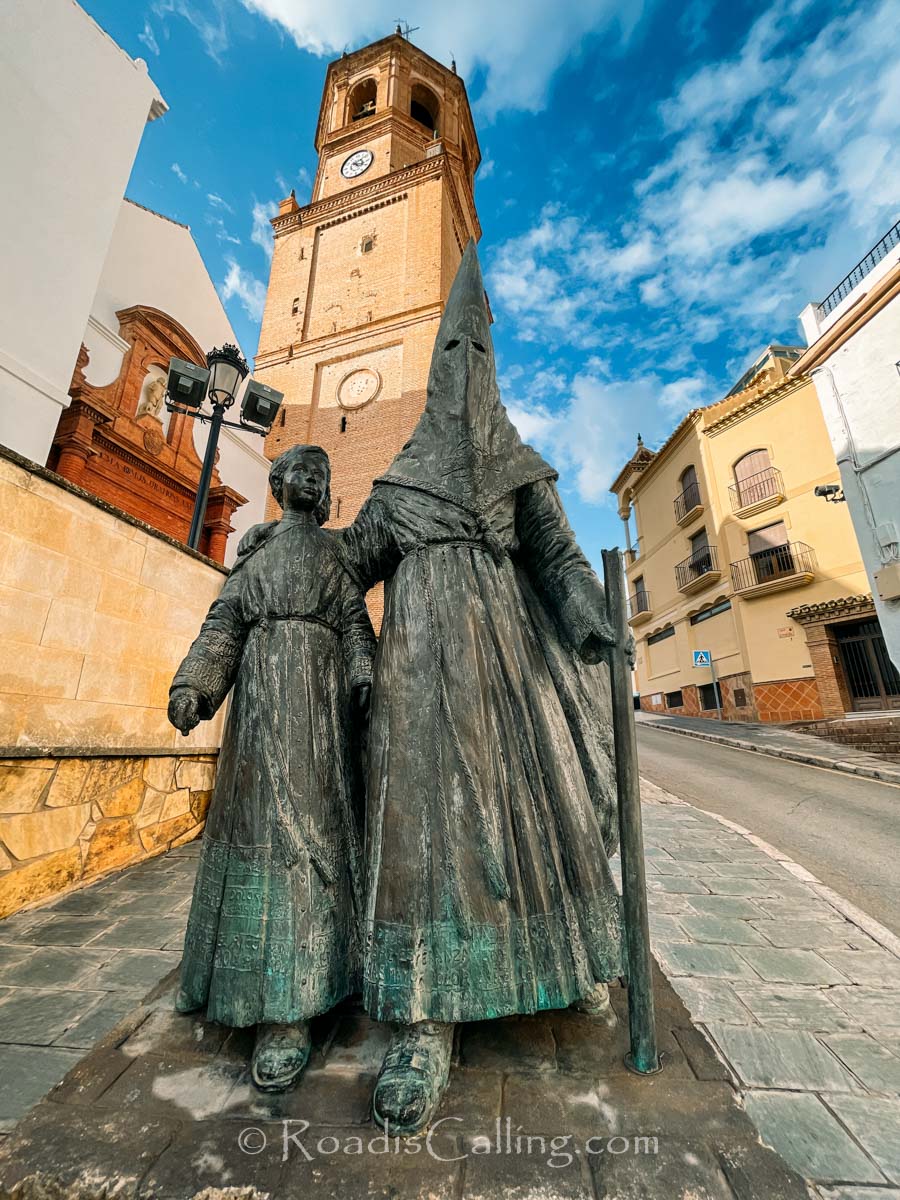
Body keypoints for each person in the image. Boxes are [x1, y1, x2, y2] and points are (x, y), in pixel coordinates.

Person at [335, 241, 624, 1133]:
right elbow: (347, 570)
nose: (464, 368)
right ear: (434, 372)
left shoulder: (519, 470)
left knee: (528, 820)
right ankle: (423, 1022)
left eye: (477, 353)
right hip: (417, 686)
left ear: (493, 370)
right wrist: (296, 547)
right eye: (451, 353)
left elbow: (562, 561)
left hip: (508, 683)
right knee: (423, 838)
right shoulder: (398, 486)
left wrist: (591, 617)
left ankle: (561, 960)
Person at [167, 445, 375, 1092]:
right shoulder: (254, 553)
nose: (312, 479)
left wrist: (364, 677)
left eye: (322, 473)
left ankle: (295, 1005)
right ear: (279, 483)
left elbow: (354, 622)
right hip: (257, 716)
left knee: (309, 841)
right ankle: (226, 977)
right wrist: (195, 685)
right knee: (252, 839)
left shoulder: (336, 553)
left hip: (320, 717)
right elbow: (223, 624)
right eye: (301, 471)